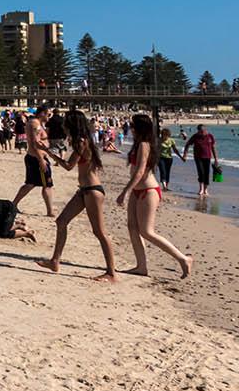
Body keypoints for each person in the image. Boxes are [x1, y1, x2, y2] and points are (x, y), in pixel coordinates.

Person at [39, 110, 118, 282]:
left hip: (92, 190)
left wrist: (49, 153)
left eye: (66, 122)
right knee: (61, 221)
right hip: (84, 190)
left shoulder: (82, 141)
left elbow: (68, 166)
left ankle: (111, 273)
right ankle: (55, 261)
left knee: (99, 232)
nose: (64, 125)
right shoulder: (81, 140)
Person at [117, 114, 191, 279]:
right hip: (138, 191)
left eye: (133, 126)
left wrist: (125, 191)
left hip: (148, 191)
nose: (131, 128)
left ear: (139, 128)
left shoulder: (144, 144)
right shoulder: (139, 144)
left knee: (147, 231)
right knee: (132, 227)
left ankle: (183, 259)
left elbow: (140, 172)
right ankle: (141, 266)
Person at [12, 105, 58, 217]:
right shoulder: (35, 124)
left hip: (36, 157)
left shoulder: (37, 124)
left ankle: (13, 205)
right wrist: (41, 159)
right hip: (37, 158)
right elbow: (35, 143)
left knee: (31, 183)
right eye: (48, 114)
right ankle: (50, 211)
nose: (49, 116)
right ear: (42, 113)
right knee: (46, 184)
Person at [185, 124, 219, 197]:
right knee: (201, 172)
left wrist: (216, 158)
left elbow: (213, 147)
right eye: (201, 131)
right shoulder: (195, 136)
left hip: (207, 157)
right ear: (198, 131)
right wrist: (185, 154)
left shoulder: (210, 136)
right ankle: (201, 189)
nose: (203, 132)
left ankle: (206, 189)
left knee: (207, 173)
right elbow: (187, 144)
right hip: (198, 157)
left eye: (204, 131)